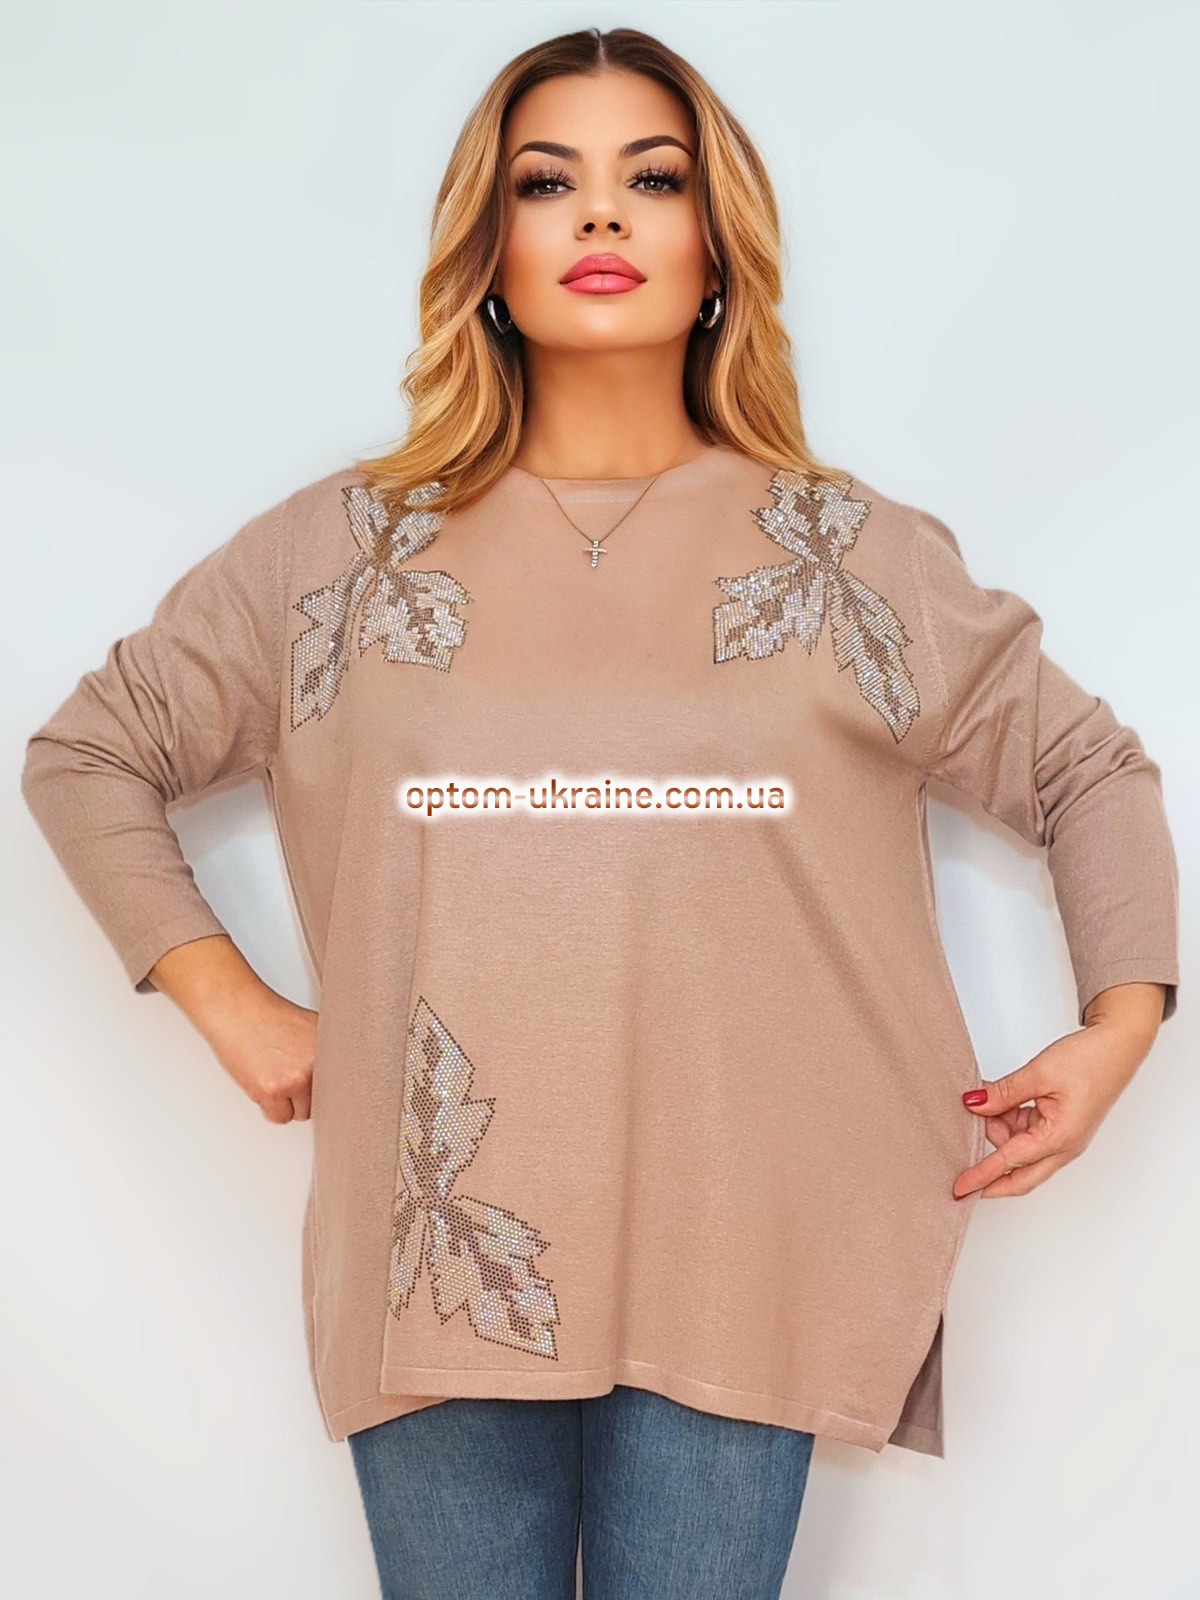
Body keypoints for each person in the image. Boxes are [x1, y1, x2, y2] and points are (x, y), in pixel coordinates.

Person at [19, 25, 1180, 1600]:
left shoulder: (848, 559)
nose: (604, 214)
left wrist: (1119, 1027)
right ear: (488, 249)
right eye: (547, 181)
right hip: (444, 1259)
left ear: (718, 248)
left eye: (655, 177)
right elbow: (91, 752)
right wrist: (233, 1004)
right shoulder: (340, 555)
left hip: (746, 1235)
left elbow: (1088, 770)